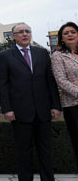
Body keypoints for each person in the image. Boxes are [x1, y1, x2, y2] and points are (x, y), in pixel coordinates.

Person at [0, 23, 62, 181]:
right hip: (20, 112)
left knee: (45, 150)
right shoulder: (5, 56)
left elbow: (50, 81)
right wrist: (7, 109)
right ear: (13, 36)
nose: (25, 34)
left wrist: (55, 105)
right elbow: (3, 85)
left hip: (43, 110)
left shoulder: (41, 53)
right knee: (23, 152)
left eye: (28, 31)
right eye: (21, 32)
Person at [51, 22, 78, 172]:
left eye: (73, 31)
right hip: (73, 106)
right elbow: (61, 80)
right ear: (61, 38)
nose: (70, 35)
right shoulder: (58, 56)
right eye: (66, 33)